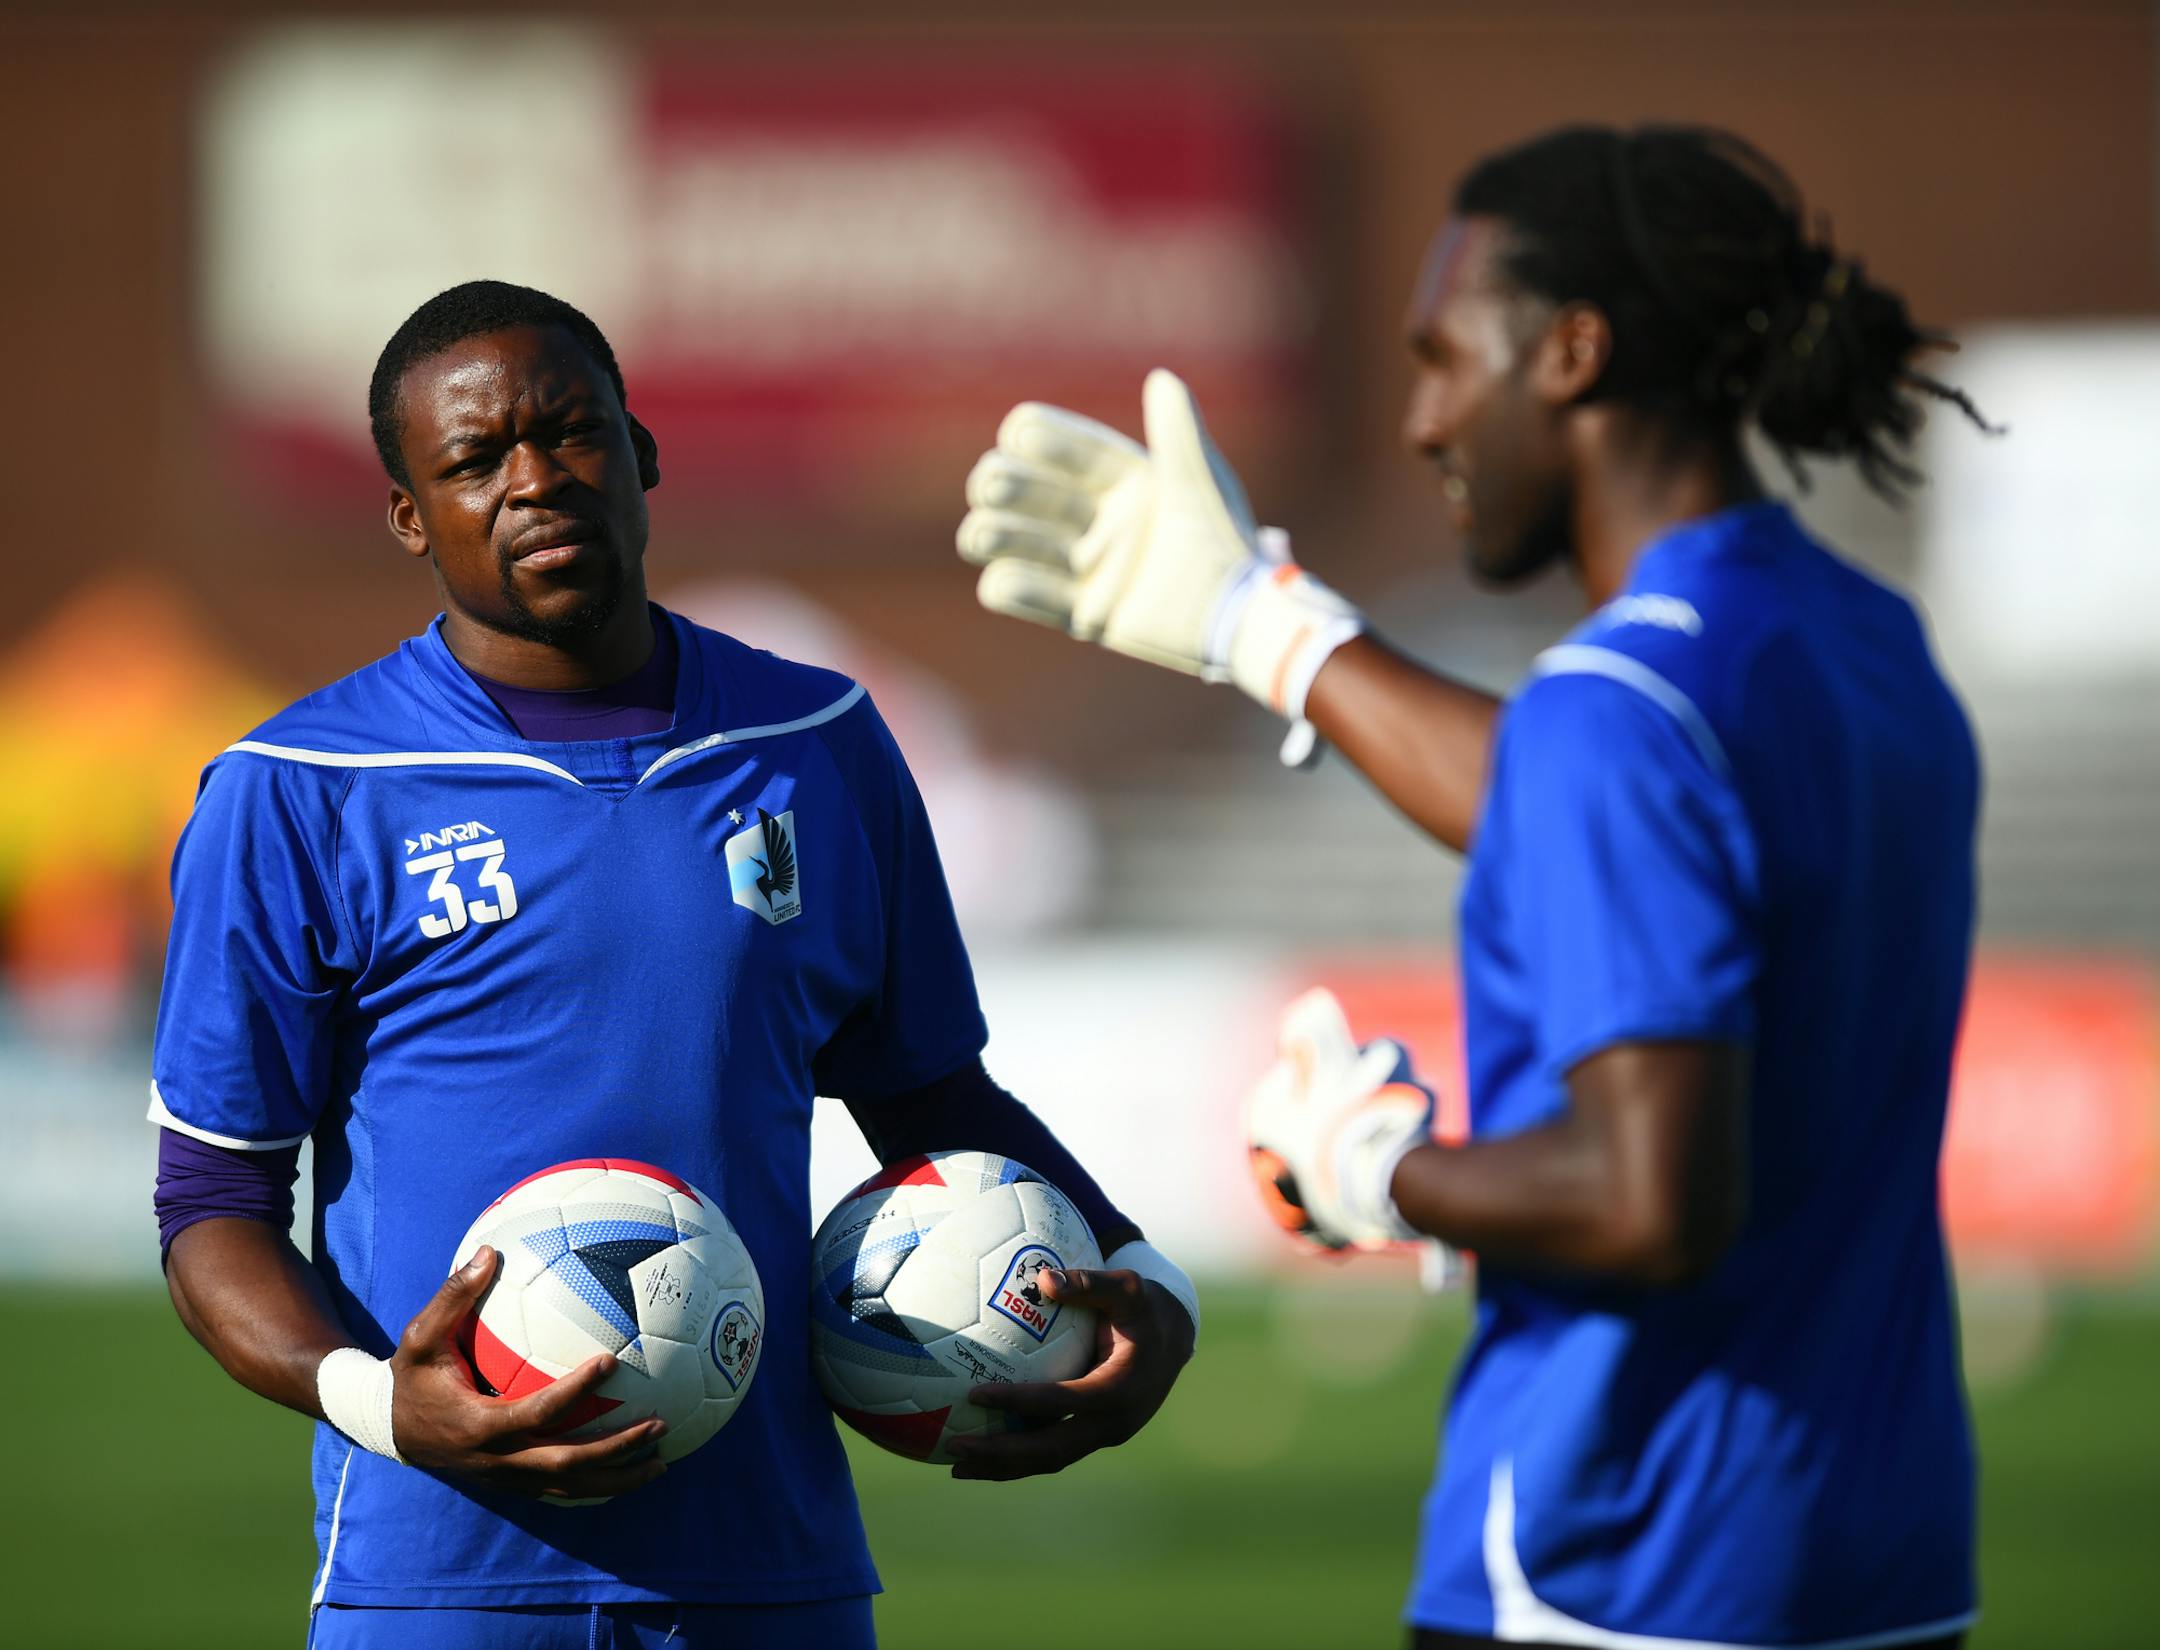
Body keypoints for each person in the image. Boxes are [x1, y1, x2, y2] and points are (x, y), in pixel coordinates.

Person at [957, 124, 1987, 1650]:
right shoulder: (1863, 643)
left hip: (1620, 1566)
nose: (1427, 418)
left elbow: (1650, 1201)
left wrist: (1379, 1169)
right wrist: (1259, 622)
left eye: (1445, 357)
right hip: (1883, 1557)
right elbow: (1601, 813)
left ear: (1573, 352)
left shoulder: (1612, 715)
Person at [152, 280, 1197, 1650]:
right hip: (442, 1576)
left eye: (569, 432)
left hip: (768, 1568)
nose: (533, 481)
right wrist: (376, 1401)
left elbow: (937, 1098)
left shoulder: (818, 737)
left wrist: (1148, 1288)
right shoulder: (299, 788)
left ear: (639, 454)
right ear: (411, 514)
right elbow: (212, 1197)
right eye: (473, 461)